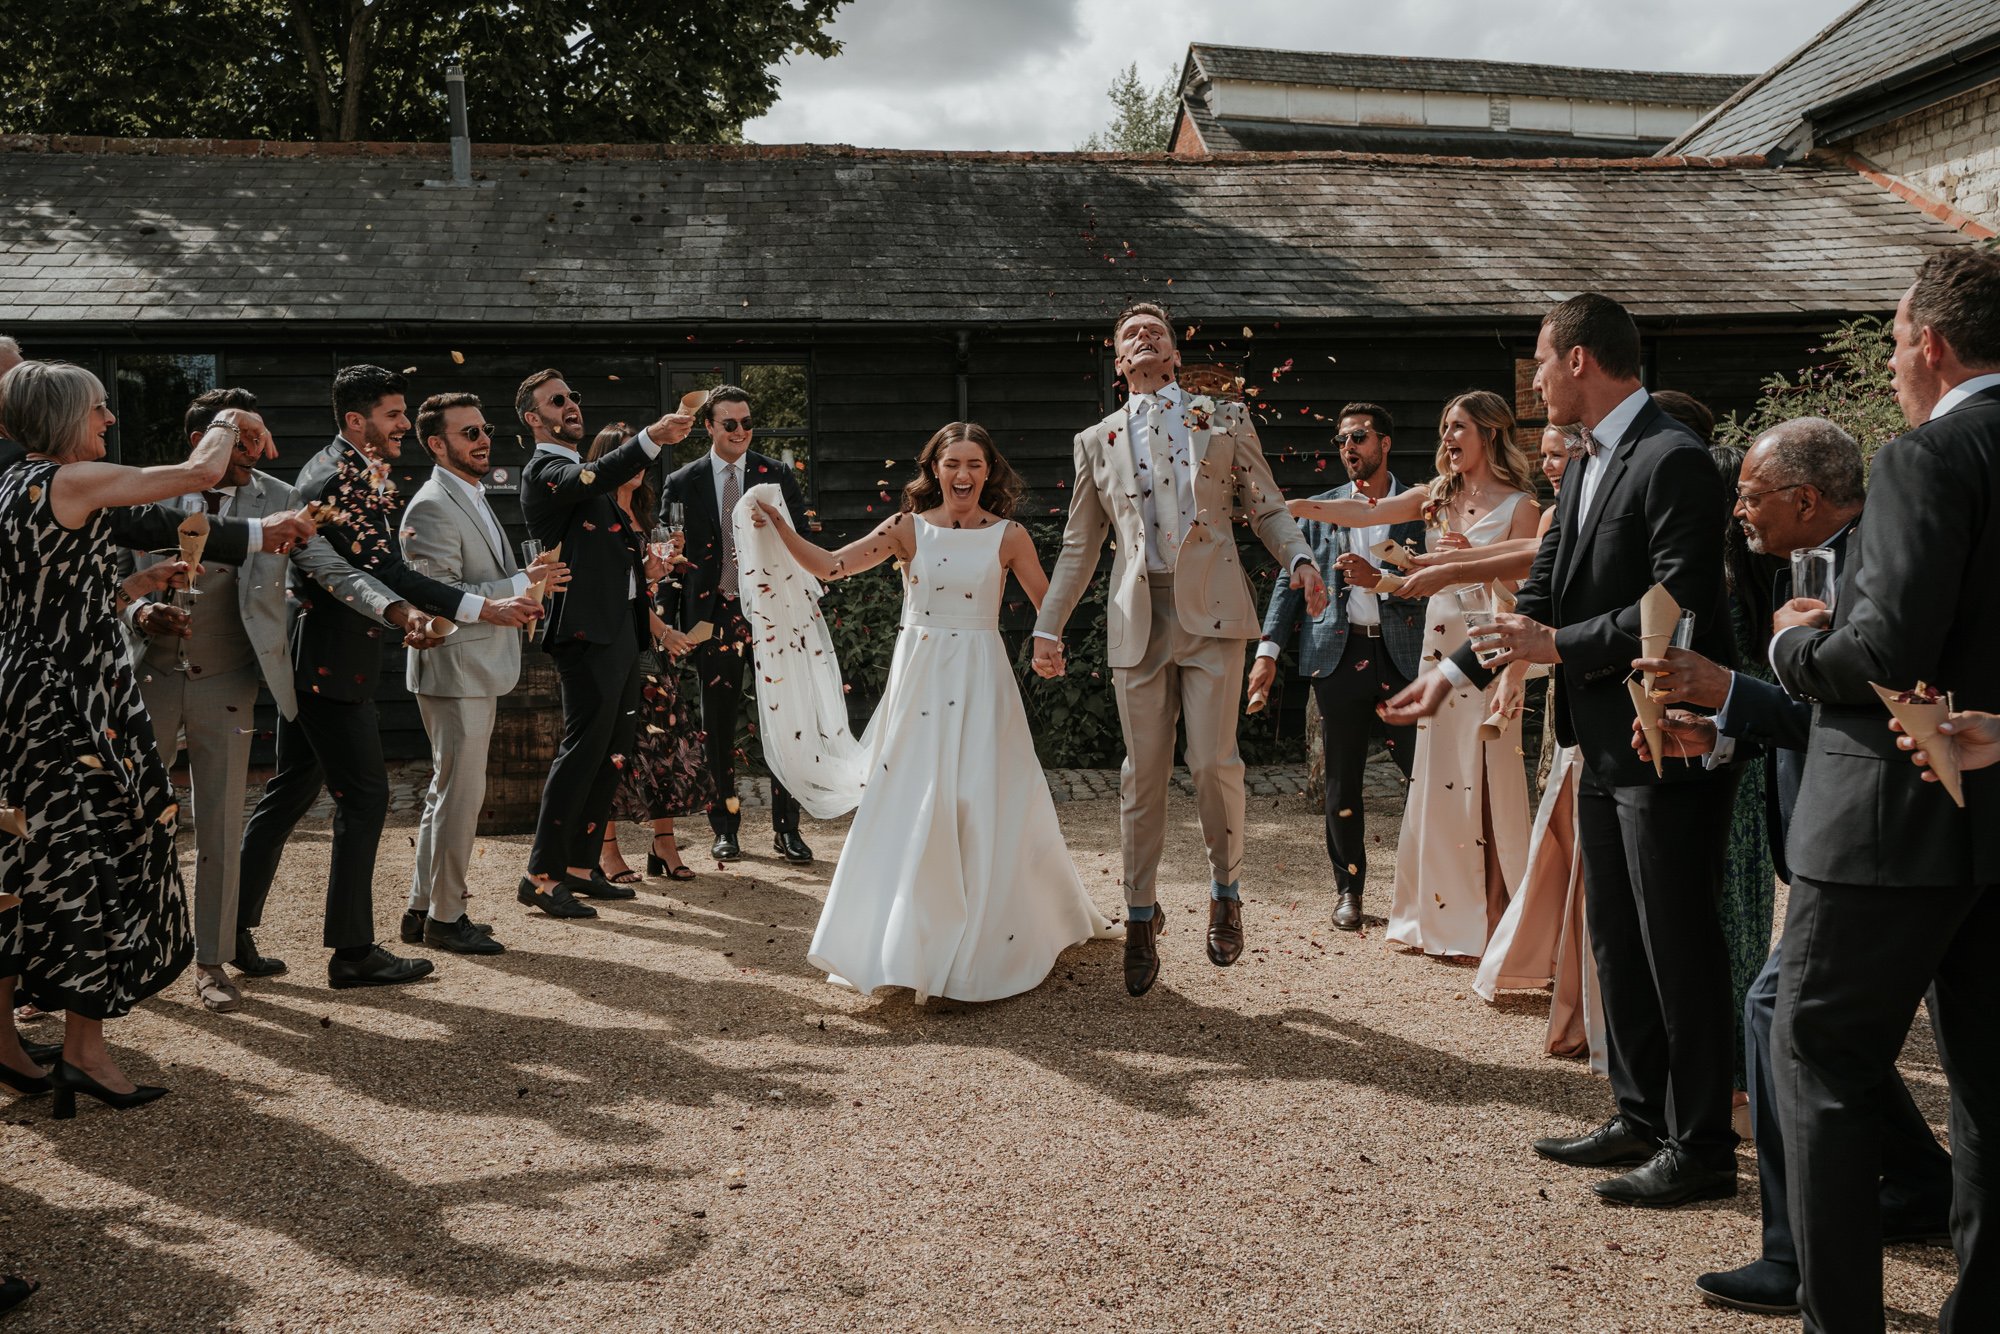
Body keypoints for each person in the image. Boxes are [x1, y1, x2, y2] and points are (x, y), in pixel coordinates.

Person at [1385, 292, 1739, 1209]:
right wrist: (1455, 673)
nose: (1535, 378)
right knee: (1615, 938)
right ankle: (1639, 1114)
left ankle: (1701, 1146)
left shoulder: (1674, 460)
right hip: (1598, 744)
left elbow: (1680, 603)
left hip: (1663, 737)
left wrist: (1563, 650)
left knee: (1677, 944)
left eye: (1542, 361)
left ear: (1580, 359)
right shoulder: (1584, 466)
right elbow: (1542, 589)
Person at [1626, 418, 1951, 1318]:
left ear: (1806, 500)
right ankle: (1922, 1182)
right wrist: (1723, 728)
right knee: (1825, 1027)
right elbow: (1806, 710)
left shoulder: (1870, 561)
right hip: (1842, 836)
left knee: (1781, 1013)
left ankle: (1799, 1258)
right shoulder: (1802, 565)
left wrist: (1725, 687)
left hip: (1877, 835)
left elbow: (1861, 714)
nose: (1737, 511)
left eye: (1751, 495)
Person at [1767, 247, 2000, 1332]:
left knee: (1818, 1057)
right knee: (1990, 1089)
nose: (1899, 361)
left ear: (1930, 345)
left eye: (1899, 339)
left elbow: (1886, 650)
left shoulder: (1925, 454)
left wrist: (1791, 651)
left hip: (1884, 818)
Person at [742, 422, 1118, 1000]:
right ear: (934, 470)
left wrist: (1052, 645)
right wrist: (779, 528)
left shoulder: (1010, 535)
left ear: (988, 471)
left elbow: (1051, 604)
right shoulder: (907, 530)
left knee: (983, 794)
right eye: (952, 464)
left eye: (973, 463)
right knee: (913, 798)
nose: (963, 474)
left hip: (980, 674)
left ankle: (991, 941)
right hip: (920, 677)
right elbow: (831, 567)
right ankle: (906, 943)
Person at [1032, 303, 1325, 996]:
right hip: (1140, 617)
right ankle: (1139, 916)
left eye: (1154, 331)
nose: (1143, 337)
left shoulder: (1223, 418)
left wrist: (1301, 560)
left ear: (1173, 353)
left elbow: (1267, 505)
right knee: (1142, 773)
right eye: (1130, 333)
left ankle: (1226, 891)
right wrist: (1049, 625)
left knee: (1214, 761)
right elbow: (1081, 546)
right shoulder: (1095, 440)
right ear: (1117, 362)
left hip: (1214, 613)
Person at [236, 366, 537, 990]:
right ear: (356, 421)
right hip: (327, 662)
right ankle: (352, 952)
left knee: (291, 791)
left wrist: (411, 614)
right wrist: (481, 608)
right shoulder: (335, 476)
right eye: (395, 415)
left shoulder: (353, 469)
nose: (405, 424)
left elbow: (376, 571)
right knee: (367, 798)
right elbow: (381, 573)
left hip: (333, 654)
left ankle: (229, 928)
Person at [125, 388, 411, 1009]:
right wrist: (144, 609)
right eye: (241, 441)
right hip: (147, 679)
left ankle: (212, 964)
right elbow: (114, 577)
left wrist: (392, 607)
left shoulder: (280, 500)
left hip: (229, 683)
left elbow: (332, 568)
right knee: (135, 823)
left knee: (223, 826)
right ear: (205, 443)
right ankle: (131, 952)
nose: (254, 453)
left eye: (258, 442)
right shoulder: (149, 494)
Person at [0, 361, 230, 1115]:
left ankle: (9, 1045)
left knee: (26, 863)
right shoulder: (69, 481)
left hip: (25, 696)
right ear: (67, 417)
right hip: (72, 705)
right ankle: (84, 1052)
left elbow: (53, 597)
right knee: (95, 858)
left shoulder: (10, 489)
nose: (109, 422)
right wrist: (227, 418)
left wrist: (131, 589)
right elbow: (200, 472)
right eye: (100, 410)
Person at [1290, 390, 1539, 958]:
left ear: (1490, 435)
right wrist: (1301, 508)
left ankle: (1492, 918)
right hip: (1434, 647)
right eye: (1445, 427)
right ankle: (1434, 918)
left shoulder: (1522, 505)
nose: (1447, 438)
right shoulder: (1436, 497)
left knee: (1481, 775)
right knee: (1435, 780)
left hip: (1484, 648)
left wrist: (1468, 563)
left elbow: (1526, 589)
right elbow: (1370, 512)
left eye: (1458, 428)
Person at [401, 393, 568, 954]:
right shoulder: (430, 504)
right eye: (468, 433)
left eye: (483, 430)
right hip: (454, 667)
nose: (481, 441)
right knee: (459, 797)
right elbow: (437, 595)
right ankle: (448, 919)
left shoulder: (468, 493)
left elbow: (480, 578)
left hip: (475, 667)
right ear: (436, 443)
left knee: (443, 793)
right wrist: (520, 585)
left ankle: (421, 908)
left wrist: (527, 576)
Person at [1250, 402, 1425, 932]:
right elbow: (1288, 581)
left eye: (1360, 437)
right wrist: (1267, 652)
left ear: (1384, 443)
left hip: (1408, 657)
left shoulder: (1420, 505)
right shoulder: (1319, 509)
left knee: (1428, 776)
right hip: (1338, 655)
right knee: (1342, 783)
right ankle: (1349, 891)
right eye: (1343, 438)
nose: (1349, 447)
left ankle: (1432, 891)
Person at [516, 371, 684, 917]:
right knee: (581, 753)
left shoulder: (583, 478)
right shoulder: (548, 470)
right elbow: (590, 477)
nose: (570, 405)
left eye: (573, 397)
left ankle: (581, 866)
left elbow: (607, 559)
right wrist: (652, 438)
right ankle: (541, 874)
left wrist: (646, 566)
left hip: (619, 633)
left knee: (611, 756)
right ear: (532, 418)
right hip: (584, 635)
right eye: (556, 401)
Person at [1473, 424, 1605, 1069]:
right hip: (1552, 676)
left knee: (1565, 826)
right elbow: (1531, 590)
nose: (1555, 465)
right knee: (1560, 825)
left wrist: (1415, 576)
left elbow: (1506, 571)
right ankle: (1558, 961)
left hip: (1586, 671)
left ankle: (1574, 975)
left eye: (1563, 454)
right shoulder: (1558, 508)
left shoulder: (1555, 507)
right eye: (1549, 455)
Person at [661, 386, 814, 866]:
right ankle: (724, 826)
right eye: (730, 424)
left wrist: (781, 533)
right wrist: (667, 624)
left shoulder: (776, 474)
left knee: (781, 719)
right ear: (709, 426)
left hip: (771, 612)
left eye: (748, 423)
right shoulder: (682, 481)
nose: (741, 432)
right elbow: (668, 558)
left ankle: (787, 830)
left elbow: (806, 544)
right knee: (718, 722)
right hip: (715, 613)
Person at [583, 423, 715, 884]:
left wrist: (667, 562)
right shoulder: (593, 511)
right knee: (620, 747)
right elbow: (611, 588)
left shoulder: (644, 511)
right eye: (624, 456)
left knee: (668, 742)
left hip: (653, 642)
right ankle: (607, 850)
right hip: (619, 639)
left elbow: (647, 584)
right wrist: (658, 620)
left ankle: (663, 847)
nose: (636, 466)